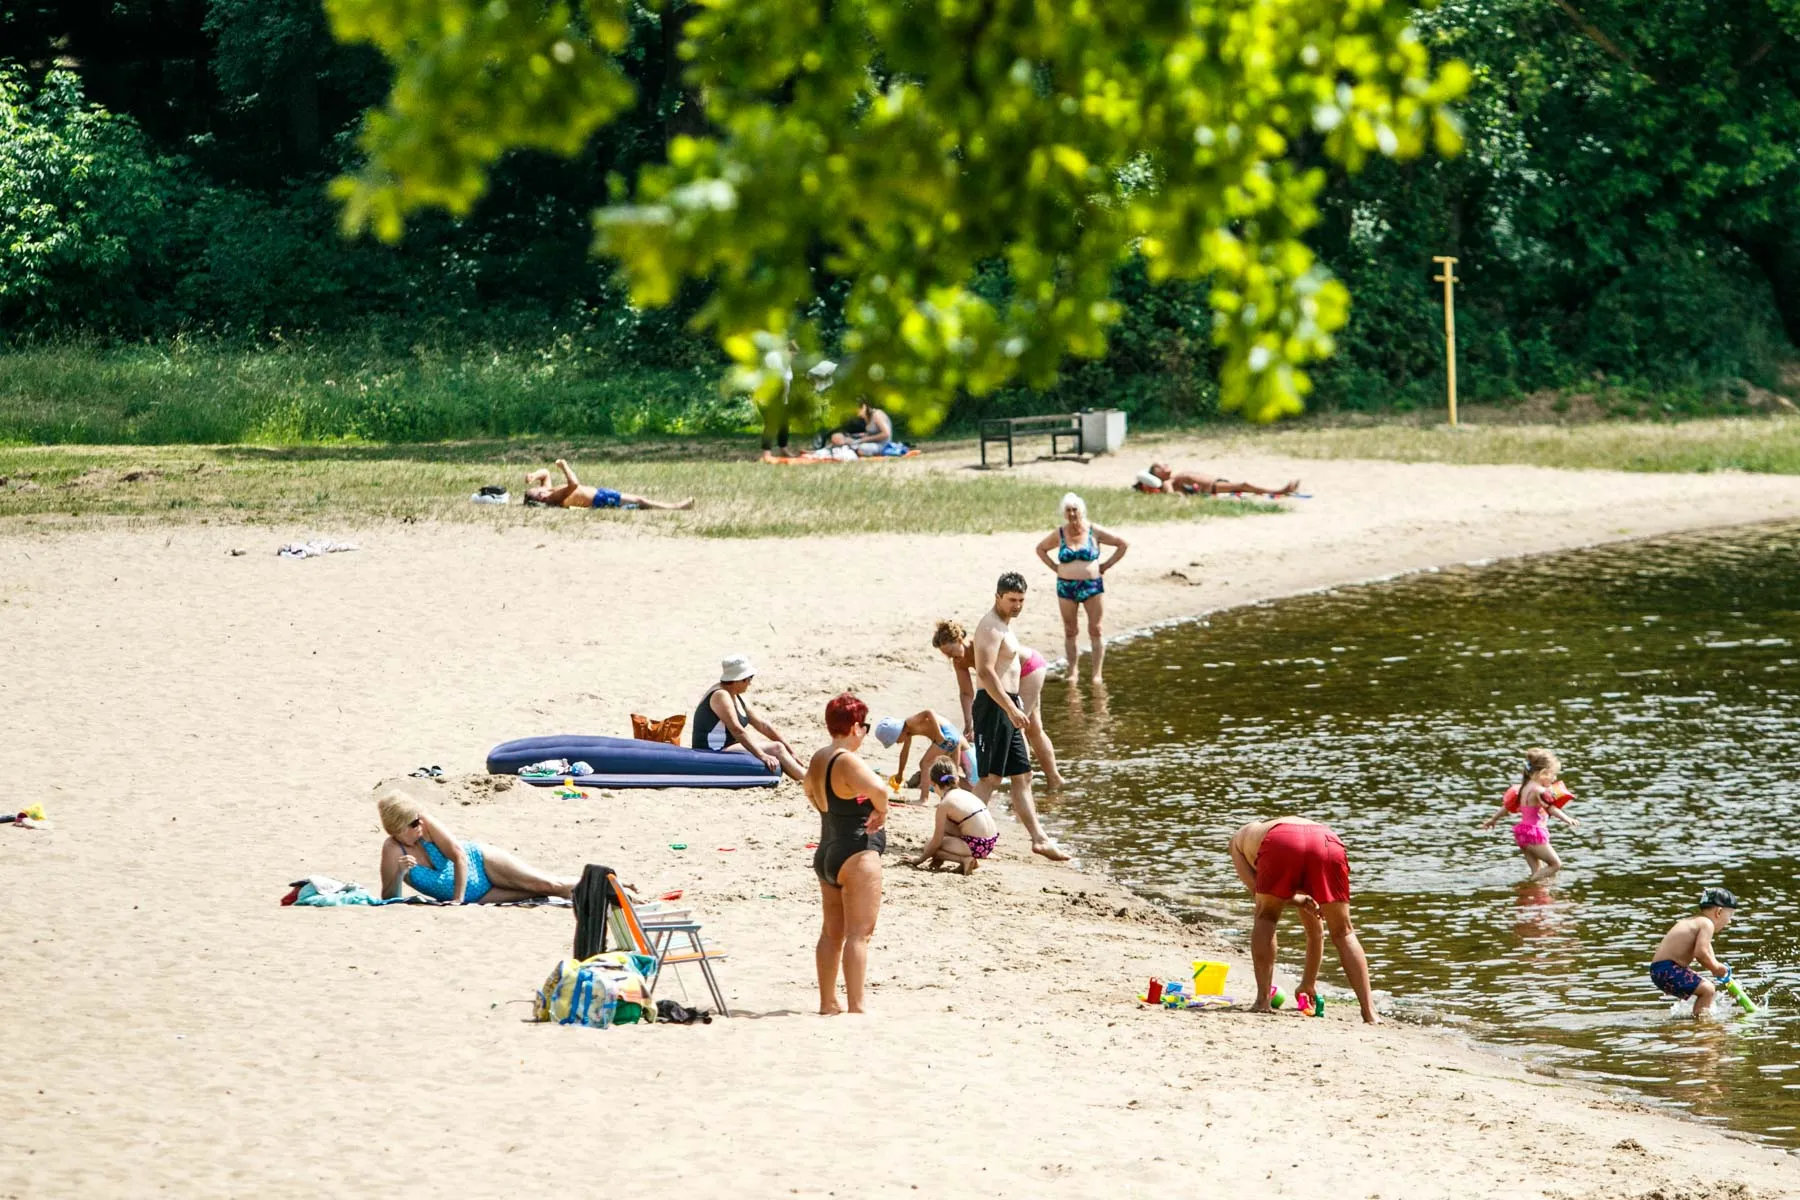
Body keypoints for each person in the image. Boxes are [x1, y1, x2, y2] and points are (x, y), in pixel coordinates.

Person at [1228, 816, 1379, 1024]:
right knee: (1344, 932)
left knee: (1266, 917)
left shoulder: (1238, 841)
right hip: (1326, 841)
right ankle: (1370, 1012)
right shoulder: (1287, 827)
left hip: (1280, 843)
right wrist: (1308, 983)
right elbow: (1315, 932)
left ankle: (1263, 1001)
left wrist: (1298, 900)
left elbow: (1258, 892)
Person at [970, 573, 1069, 860]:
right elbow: (986, 672)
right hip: (994, 705)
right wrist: (1011, 708)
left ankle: (1040, 839)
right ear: (997, 596)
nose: (1017, 605)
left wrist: (1015, 705)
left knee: (1023, 775)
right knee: (990, 777)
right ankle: (960, 831)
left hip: (1008, 703)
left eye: (1021, 600)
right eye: (1012, 600)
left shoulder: (1005, 626)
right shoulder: (990, 627)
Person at [805, 693, 889, 1014]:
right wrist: (881, 812)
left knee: (831, 933)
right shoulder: (846, 759)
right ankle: (857, 1006)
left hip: (827, 849)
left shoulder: (819, 757)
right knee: (859, 935)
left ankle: (828, 1002)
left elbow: (808, 790)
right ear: (855, 727)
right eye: (864, 726)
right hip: (857, 854)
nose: (865, 734)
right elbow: (879, 790)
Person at [931, 617, 1063, 789]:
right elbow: (966, 693)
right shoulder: (959, 661)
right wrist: (969, 722)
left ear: (960, 639)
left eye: (951, 651)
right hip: (1011, 679)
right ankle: (1054, 780)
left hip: (1029, 668)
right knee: (1033, 728)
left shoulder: (980, 645)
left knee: (1017, 726)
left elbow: (995, 677)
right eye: (946, 655)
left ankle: (1025, 781)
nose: (951, 657)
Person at [376, 791, 575, 904]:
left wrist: (457, 899)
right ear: (398, 829)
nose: (419, 825)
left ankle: (597, 882)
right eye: (413, 824)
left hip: (480, 863)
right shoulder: (392, 850)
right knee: (539, 895)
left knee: (547, 885)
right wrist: (400, 873)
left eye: (418, 819)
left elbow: (458, 855)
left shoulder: (426, 825)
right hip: (479, 897)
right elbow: (389, 897)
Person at [1034, 493, 1128, 684]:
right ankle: (1073, 671)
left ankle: (1096, 674)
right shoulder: (1060, 533)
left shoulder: (1093, 531)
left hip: (1092, 586)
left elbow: (1122, 544)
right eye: (1068, 510)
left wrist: (1105, 566)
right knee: (1070, 630)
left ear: (1081, 510)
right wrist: (1055, 568)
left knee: (1096, 628)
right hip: (1066, 587)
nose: (1071, 514)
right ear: (1064, 512)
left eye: (1074, 509)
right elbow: (1040, 549)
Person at [691, 654, 808, 782]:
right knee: (776, 748)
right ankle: (811, 781)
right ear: (739, 679)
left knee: (779, 746)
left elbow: (763, 725)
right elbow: (737, 730)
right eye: (749, 678)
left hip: (727, 746)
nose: (750, 683)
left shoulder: (734, 694)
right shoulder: (721, 695)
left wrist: (791, 751)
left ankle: (807, 777)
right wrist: (762, 755)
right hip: (713, 750)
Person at [1481, 747, 1580, 880]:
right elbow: (1550, 808)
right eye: (1553, 774)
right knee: (1555, 864)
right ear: (1544, 773)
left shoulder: (1523, 788)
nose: (1555, 778)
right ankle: (1529, 885)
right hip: (1535, 834)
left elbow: (1507, 807)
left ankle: (1534, 896)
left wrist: (1493, 819)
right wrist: (1567, 818)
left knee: (1537, 871)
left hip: (1522, 834)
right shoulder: (1538, 790)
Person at [1649, 888, 1740, 1016]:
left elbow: (1708, 951)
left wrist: (1718, 969)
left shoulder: (1696, 921)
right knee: (1708, 990)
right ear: (1719, 912)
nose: (1729, 921)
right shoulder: (1707, 924)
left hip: (1660, 970)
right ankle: (1702, 1024)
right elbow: (1701, 953)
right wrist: (1715, 967)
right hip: (1667, 969)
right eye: (1730, 915)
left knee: (1703, 985)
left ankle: (1691, 1022)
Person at [908, 759, 1000, 874]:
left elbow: (936, 842)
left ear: (934, 784)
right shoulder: (965, 794)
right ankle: (949, 861)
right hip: (989, 843)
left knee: (929, 845)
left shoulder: (945, 804)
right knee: (948, 828)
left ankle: (965, 860)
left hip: (976, 846)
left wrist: (919, 860)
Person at [872, 709, 977, 804]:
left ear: (897, 732)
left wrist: (938, 733)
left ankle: (924, 799)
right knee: (946, 771)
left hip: (947, 735)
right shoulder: (908, 732)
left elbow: (928, 712)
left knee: (925, 764)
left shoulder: (910, 722)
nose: (897, 742)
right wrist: (900, 774)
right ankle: (946, 800)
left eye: (895, 740)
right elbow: (904, 753)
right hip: (954, 737)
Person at [523, 459, 693, 510]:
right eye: (538, 490)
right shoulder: (554, 497)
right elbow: (574, 484)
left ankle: (674, 506)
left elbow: (545, 473)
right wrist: (564, 466)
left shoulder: (548, 492)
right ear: (541, 497)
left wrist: (533, 475)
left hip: (600, 495)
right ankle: (675, 507)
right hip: (600, 499)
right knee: (639, 500)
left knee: (636, 503)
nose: (540, 487)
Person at [1136, 462, 1302, 498]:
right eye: (1160, 467)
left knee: (1245, 486)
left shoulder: (1173, 477)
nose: (1165, 465)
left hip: (1216, 482)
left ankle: (1280, 490)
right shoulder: (1167, 482)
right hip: (1212, 487)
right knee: (1245, 485)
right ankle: (1281, 490)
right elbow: (1172, 495)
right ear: (1157, 474)